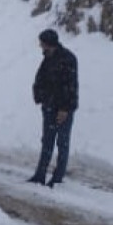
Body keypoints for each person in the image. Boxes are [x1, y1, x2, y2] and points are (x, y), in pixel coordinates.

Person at [27, 28, 78, 187]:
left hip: (63, 109)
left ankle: (57, 177)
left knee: (62, 143)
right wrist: (39, 96)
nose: (41, 47)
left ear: (50, 44)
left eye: (42, 44)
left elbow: (70, 86)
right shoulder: (47, 59)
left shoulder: (68, 58)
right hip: (49, 106)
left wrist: (64, 109)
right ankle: (40, 174)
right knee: (47, 141)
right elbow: (39, 79)